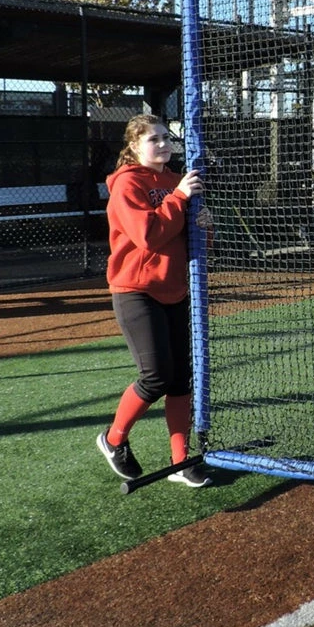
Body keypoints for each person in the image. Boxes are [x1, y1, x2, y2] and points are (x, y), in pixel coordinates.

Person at [96, 113, 213, 487]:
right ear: (134, 146)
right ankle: (114, 440)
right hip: (136, 291)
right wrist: (179, 197)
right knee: (156, 376)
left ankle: (180, 461)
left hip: (174, 289)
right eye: (154, 140)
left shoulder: (173, 180)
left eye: (166, 137)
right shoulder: (127, 184)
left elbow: (188, 240)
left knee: (181, 379)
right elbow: (148, 235)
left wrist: (205, 227)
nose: (163, 145)